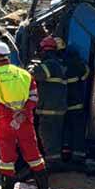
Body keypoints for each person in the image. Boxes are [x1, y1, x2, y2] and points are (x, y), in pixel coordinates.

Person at [0, 42, 52, 189]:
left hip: (6, 124)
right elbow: (34, 97)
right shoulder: (25, 75)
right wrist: (22, 113)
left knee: (7, 161)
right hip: (25, 122)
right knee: (34, 156)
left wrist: (10, 115)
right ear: (8, 56)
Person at [29, 36, 67, 167]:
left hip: (48, 109)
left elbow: (37, 75)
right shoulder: (59, 64)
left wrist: (30, 69)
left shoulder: (50, 64)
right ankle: (55, 161)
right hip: (58, 108)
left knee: (47, 136)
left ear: (44, 50)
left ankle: (52, 165)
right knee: (55, 137)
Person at [56, 37, 90, 165]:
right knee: (77, 131)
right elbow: (86, 73)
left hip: (61, 105)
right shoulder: (75, 63)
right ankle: (78, 156)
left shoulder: (56, 64)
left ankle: (64, 154)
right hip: (76, 104)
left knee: (64, 130)